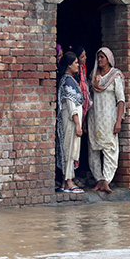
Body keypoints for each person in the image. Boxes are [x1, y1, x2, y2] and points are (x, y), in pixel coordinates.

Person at [87, 47, 125, 194]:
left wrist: (118, 121)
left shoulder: (115, 76)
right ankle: (98, 179)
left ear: (109, 59)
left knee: (110, 148)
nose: (100, 60)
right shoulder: (94, 77)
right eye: (99, 57)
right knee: (94, 148)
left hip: (109, 119)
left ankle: (106, 180)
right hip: (95, 118)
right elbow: (88, 98)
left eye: (102, 57)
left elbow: (120, 100)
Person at [55, 51, 84, 193]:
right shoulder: (67, 81)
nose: (78, 65)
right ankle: (68, 181)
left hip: (72, 121)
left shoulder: (69, 79)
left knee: (70, 149)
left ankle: (66, 182)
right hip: (70, 122)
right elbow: (72, 107)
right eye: (76, 63)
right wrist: (78, 124)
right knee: (69, 149)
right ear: (69, 65)